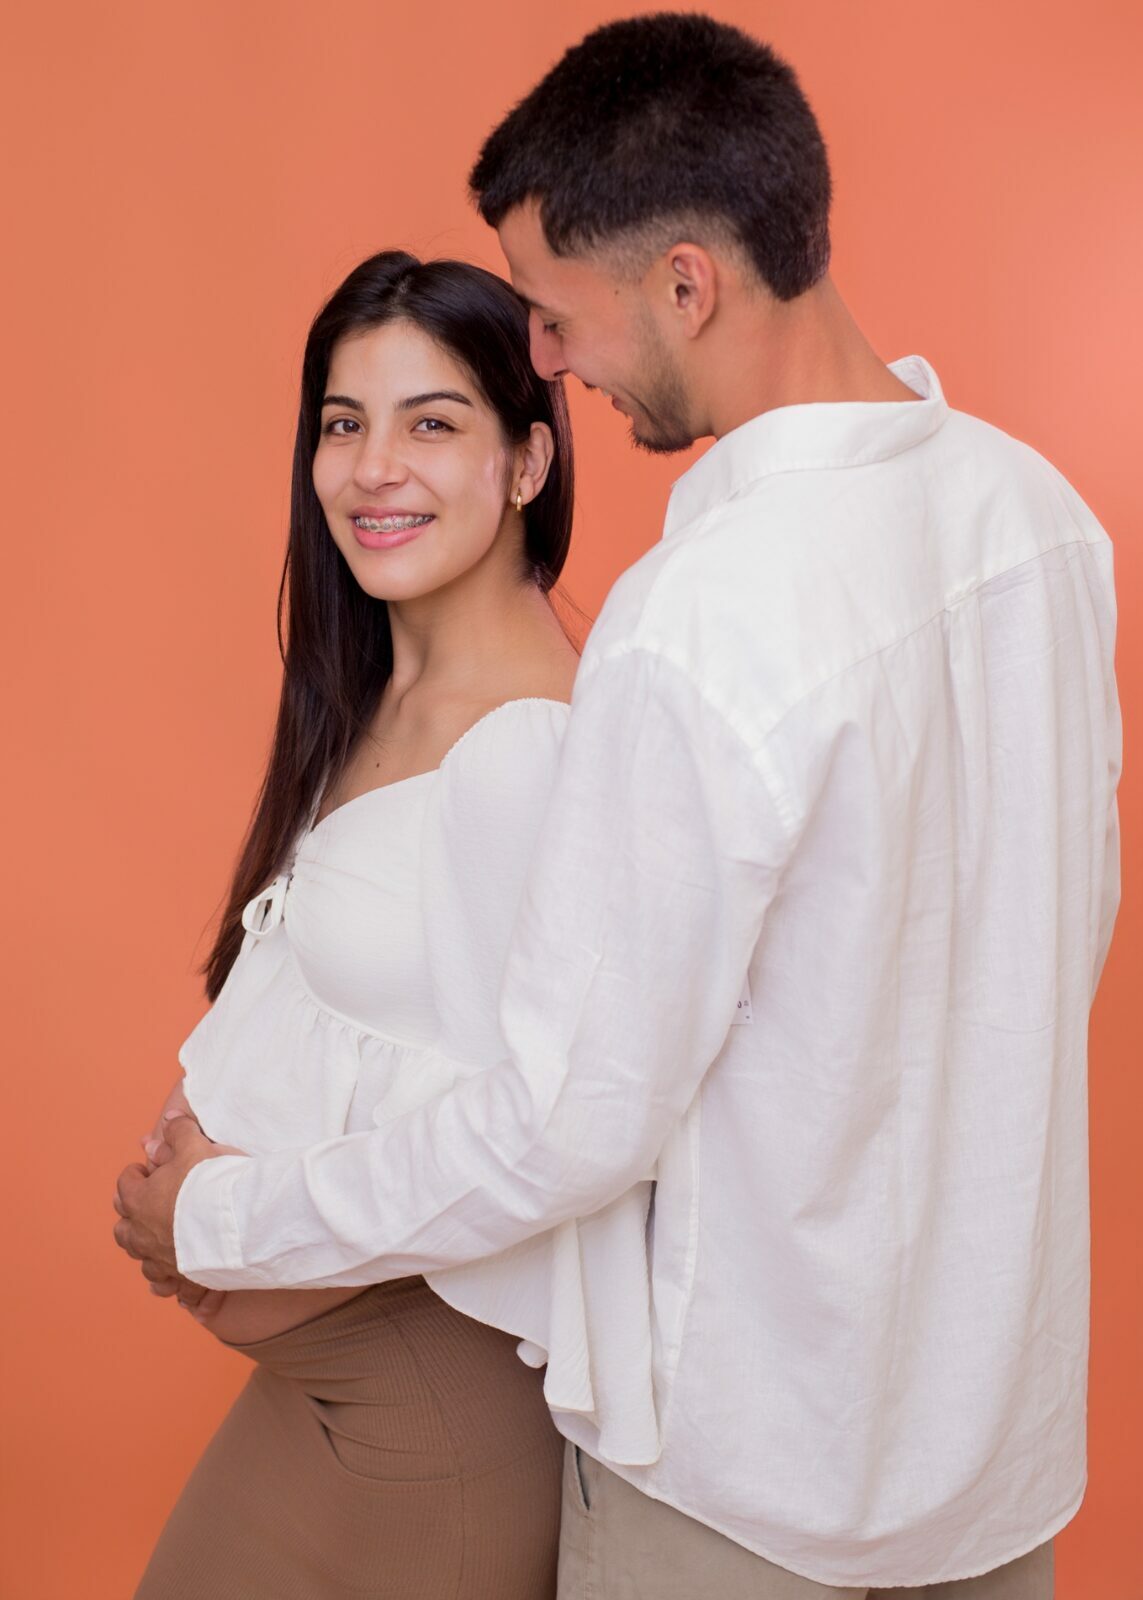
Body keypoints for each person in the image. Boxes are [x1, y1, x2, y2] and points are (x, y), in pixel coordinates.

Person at [116, 16, 1122, 1598]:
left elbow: (569, 1121)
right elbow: (1061, 941)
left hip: (741, 1486)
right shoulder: (1042, 523)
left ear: (686, 285)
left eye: (554, 310)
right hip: (992, 1459)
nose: (550, 355)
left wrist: (225, 1217)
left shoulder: (695, 618)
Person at [127, 249, 602, 1599]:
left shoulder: (530, 755)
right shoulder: (379, 691)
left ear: (527, 462)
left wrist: (219, 1218)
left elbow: (544, 1138)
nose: (373, 468)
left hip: (426, 1422)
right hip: (330, 1397)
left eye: (431, 423)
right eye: (345, 423)